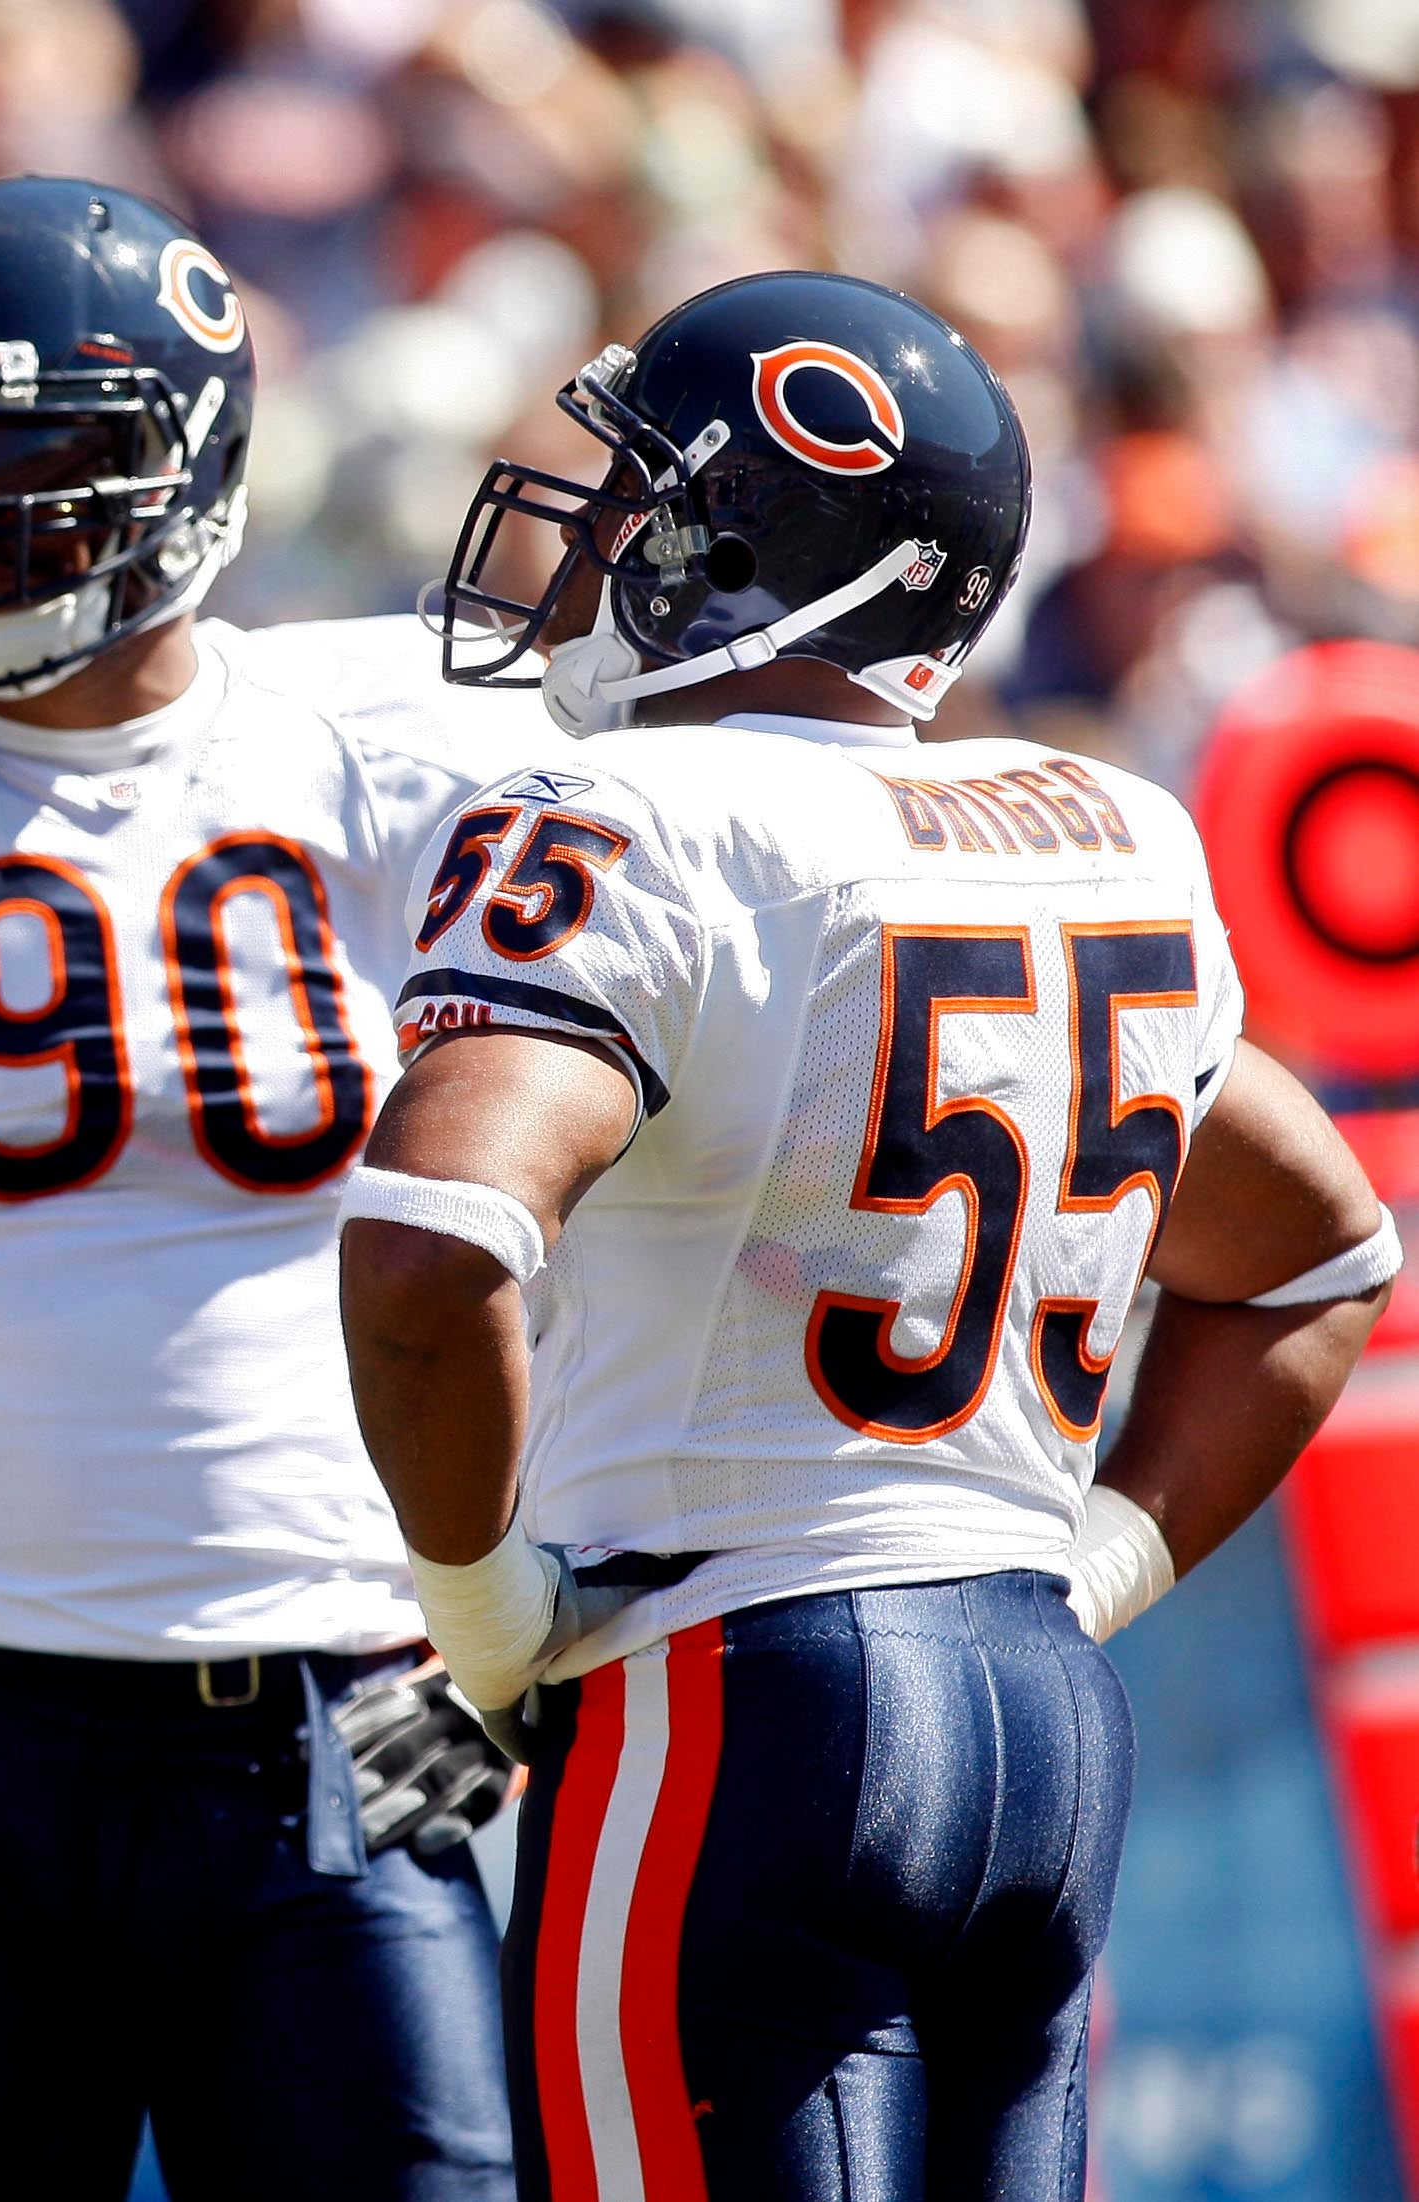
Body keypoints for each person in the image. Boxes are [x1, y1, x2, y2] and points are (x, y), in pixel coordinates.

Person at [337, 269, 1401, 2198]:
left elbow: (428, 1239)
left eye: (645, 496)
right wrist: (1079, 1572)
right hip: (1037, 1712)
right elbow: (1318, 1257)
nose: (594, 538)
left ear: (755, 544)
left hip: (727, 1695)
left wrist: (488, 1627)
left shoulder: (638, 812)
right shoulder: (1105, 827)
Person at [0, 176, 544, 2200]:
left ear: (199, 464)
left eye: (42, 455)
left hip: (344, 1734)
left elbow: (644, 1189)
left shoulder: (402, 740)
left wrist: (537, 1630)